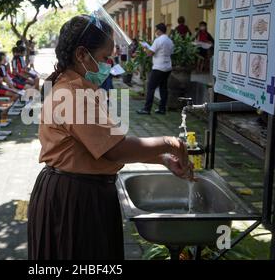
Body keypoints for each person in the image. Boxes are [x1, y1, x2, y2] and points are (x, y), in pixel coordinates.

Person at [28, 15, 194, 260]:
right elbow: (114, 149)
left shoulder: (78, 86)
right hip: (74, 199)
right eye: (105, 57)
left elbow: (106, 139)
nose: (110, 63)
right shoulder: (72, 94)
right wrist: (170, 143)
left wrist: (162, 158)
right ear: (82, 55)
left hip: (82, 192)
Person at [137, 23, 174, 115]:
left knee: (150, 88)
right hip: (167, 67)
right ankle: (162, 108)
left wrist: (146, 48)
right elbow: (171, 52)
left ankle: (147, 109)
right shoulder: (169, 41)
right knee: (163, 88)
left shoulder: (158, 40)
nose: (155, 32)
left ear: (159, 30)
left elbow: (150, 53)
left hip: (158, 67)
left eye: (156, 30)